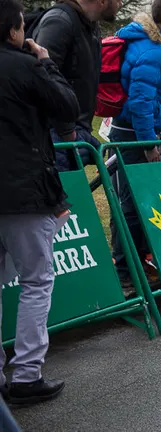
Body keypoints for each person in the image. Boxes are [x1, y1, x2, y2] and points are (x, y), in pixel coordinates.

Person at [0, 0, 79, 404]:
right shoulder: (25, 66)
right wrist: (46, 62)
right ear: (13, 31)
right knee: (36, 280)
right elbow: (68, 106)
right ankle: (27, 374)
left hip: (20, 188)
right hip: (24, 191)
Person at [108, 0, 161, 291]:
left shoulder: (154, 47)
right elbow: (139, 102)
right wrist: (148, 143)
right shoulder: (151, 51)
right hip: (132, 136)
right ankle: (125, 271)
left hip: (135, 132)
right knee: (130, 204)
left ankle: (137, 263)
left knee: (139, 201)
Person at [31, 0, 121, 172]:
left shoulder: (90, 26)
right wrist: (68, 133)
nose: (121, 4)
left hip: (73, 133)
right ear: (102, 2)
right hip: (54, 137)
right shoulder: (59, 22)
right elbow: (41, 80)